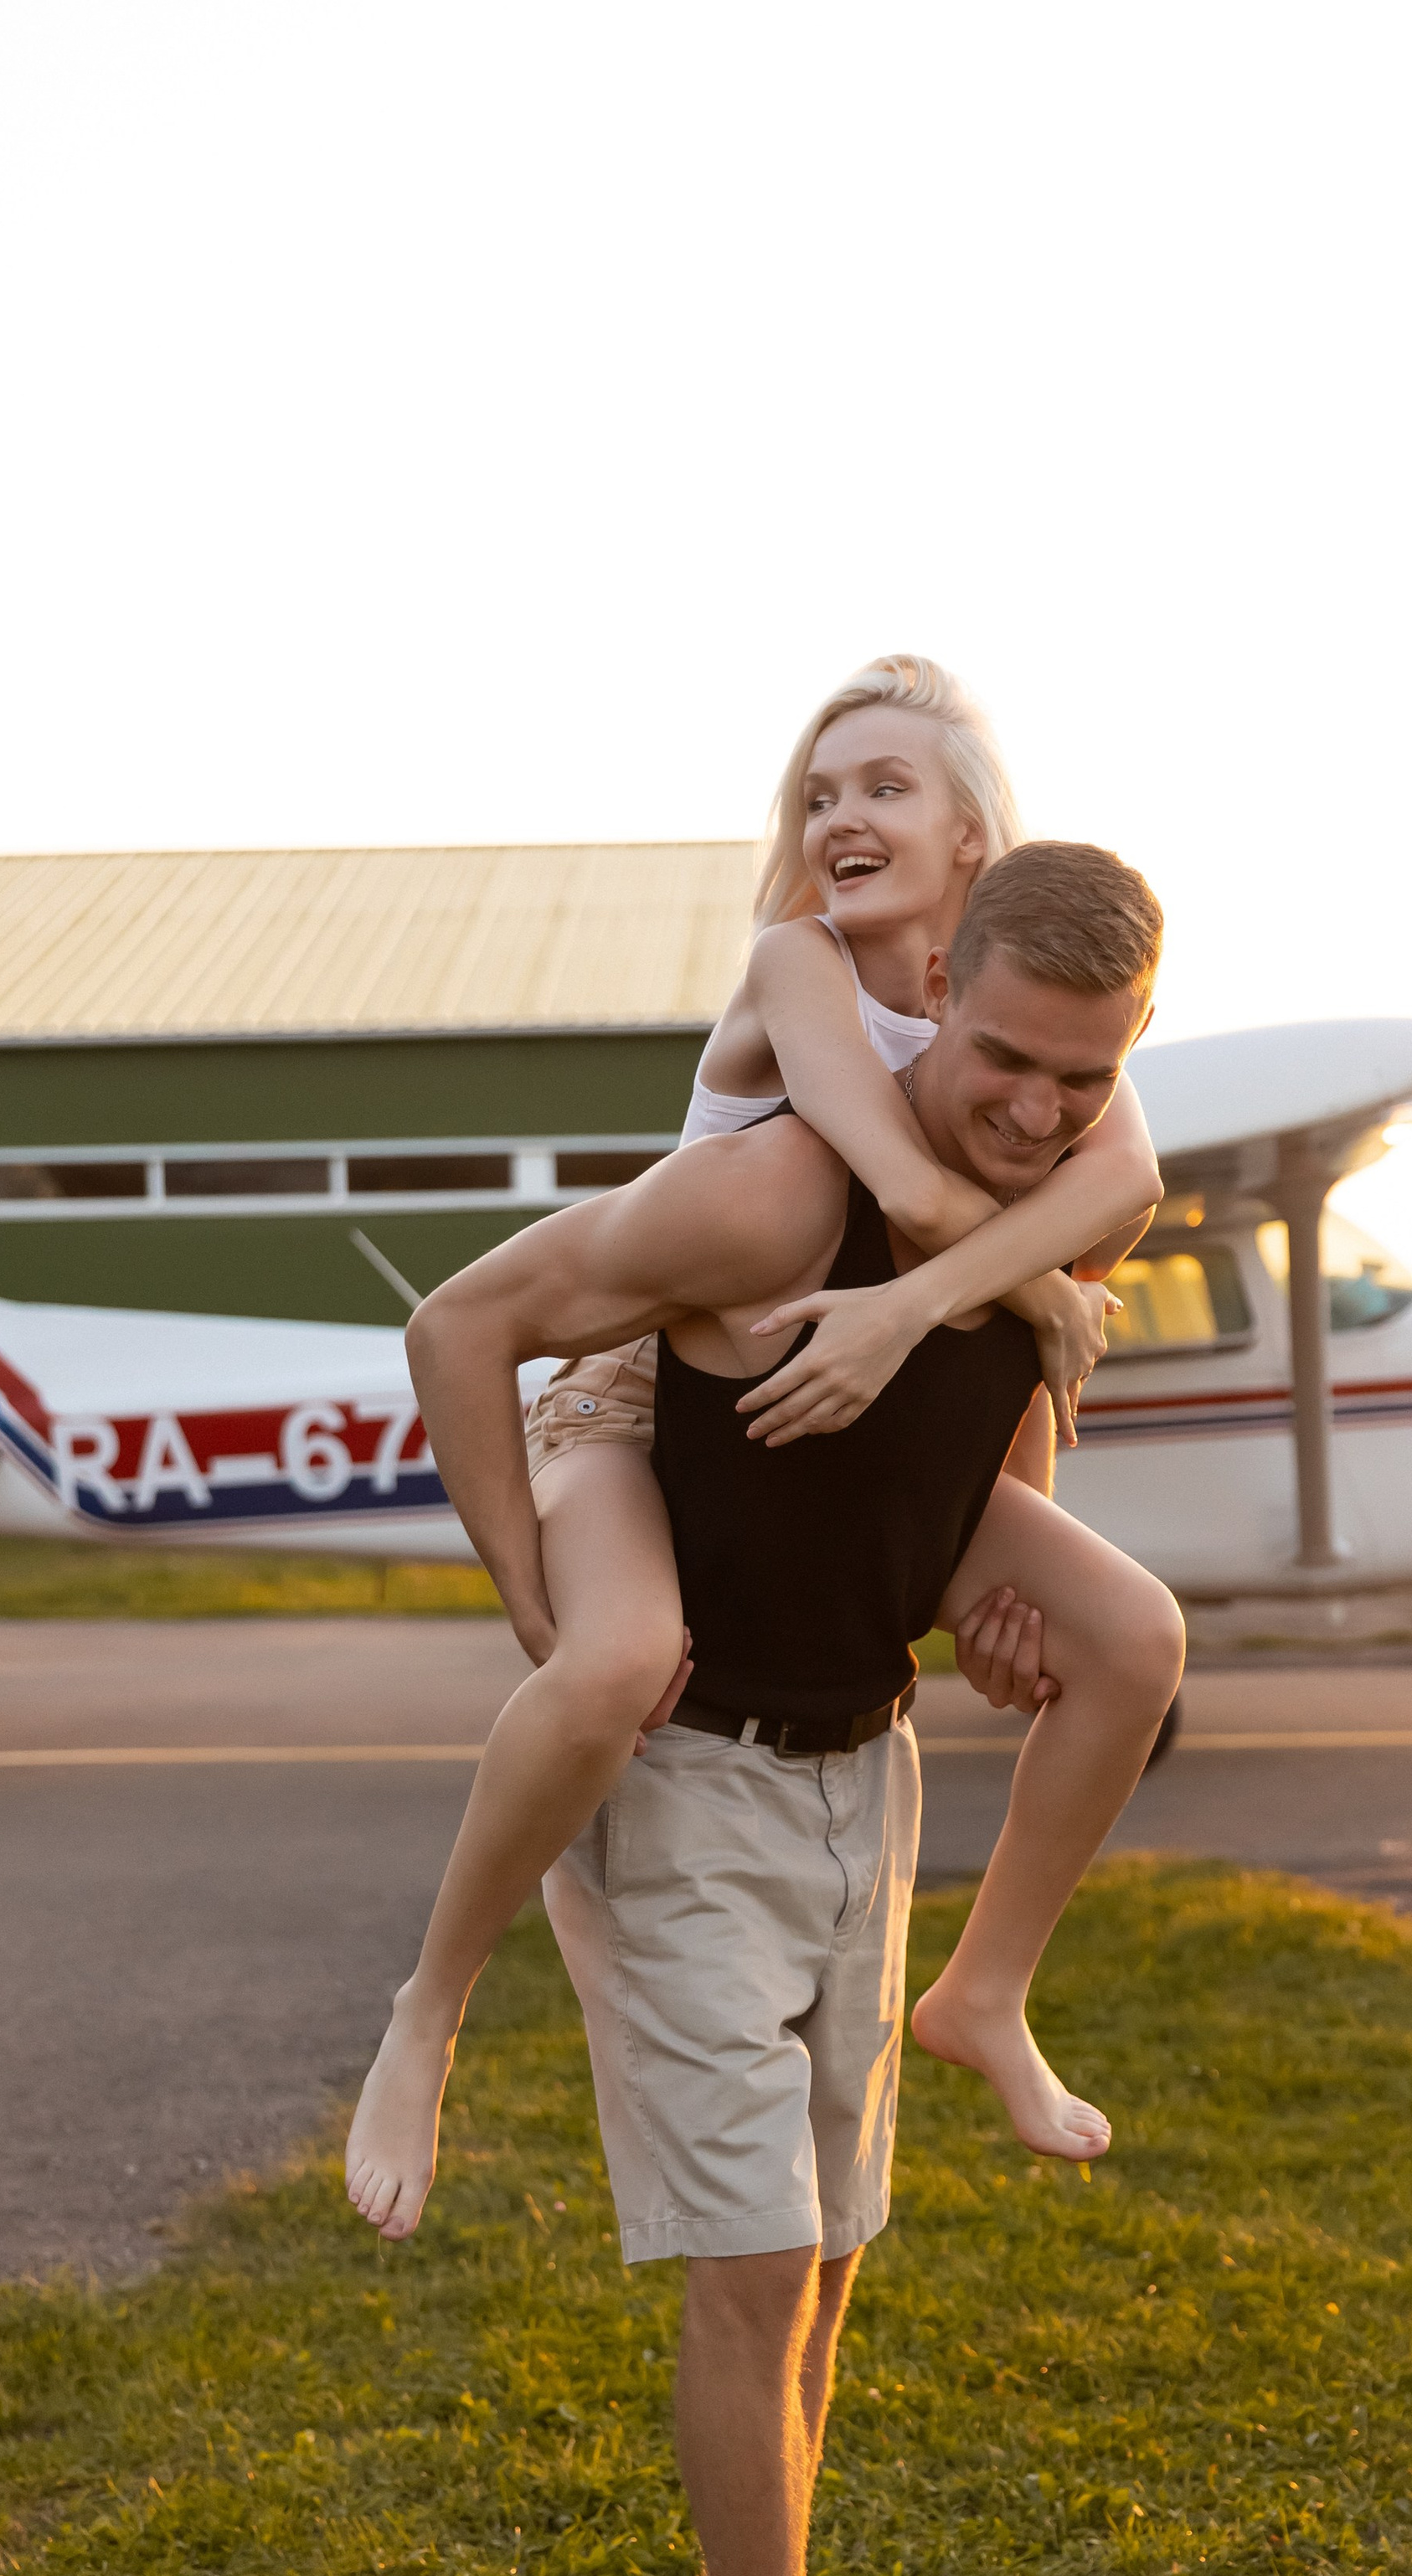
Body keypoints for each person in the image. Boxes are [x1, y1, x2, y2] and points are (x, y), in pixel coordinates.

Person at [355, 842, 1184, 2576]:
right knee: (744, 2270)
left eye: (1076, 1081)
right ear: (931, 995)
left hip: (863, 1774)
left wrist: (995, 1584)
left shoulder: (1073, 1198)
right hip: (689, 1785)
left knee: (817, 2268)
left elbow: (985, 1450)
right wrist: (559, 1633)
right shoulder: (772, 1190)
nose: (1026, 1106)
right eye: (994, 1056)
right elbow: (471, 1324)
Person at [342, 661, 1165, 2220]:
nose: (839, 815)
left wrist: (984, 1539)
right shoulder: (803, 966)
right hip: (632, 1387)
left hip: (833, 1413)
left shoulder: (1043, 1052)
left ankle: (986, 1992)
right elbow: (919, 1206)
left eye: (884, 787)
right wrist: (1025, 1280)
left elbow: (1084, 1208)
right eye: (819, 791)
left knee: (1135, 1634)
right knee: (607, 1663)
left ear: (978, 838)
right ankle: (428, 2008)